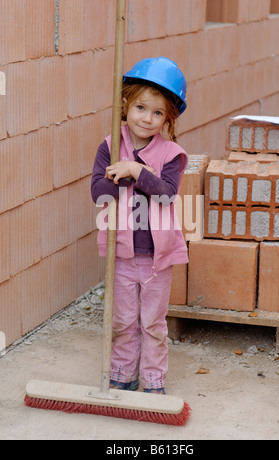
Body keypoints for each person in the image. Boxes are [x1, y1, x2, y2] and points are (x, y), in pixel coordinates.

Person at [91, 57, 188, 394]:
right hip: (121, 256)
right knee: (122, 321)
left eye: (158, 113)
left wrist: (136, 170)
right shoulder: (109, 146)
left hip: (157, 259)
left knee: (153, 324)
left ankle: (152, 382)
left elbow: (167, 195)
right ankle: (121, 373)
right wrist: (119, 173)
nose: (147, 118)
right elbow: (98, 193)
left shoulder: (171, 154)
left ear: (168, 118)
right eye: (141, 108)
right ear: (125, 104)